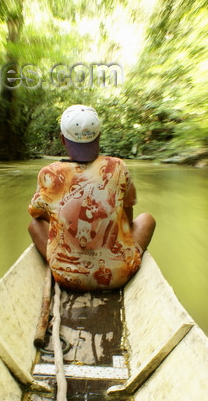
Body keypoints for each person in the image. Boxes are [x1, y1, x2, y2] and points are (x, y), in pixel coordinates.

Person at [28, 104, 156, 291]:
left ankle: (63, 261)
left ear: (63, 140)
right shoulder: (118, 167)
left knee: (34, 225)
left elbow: (36, 214)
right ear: (99, 135)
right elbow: (127, 219)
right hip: (118, 276)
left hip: (65, 277)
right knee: (147, 219)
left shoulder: (50, 173)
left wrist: (63, 220)